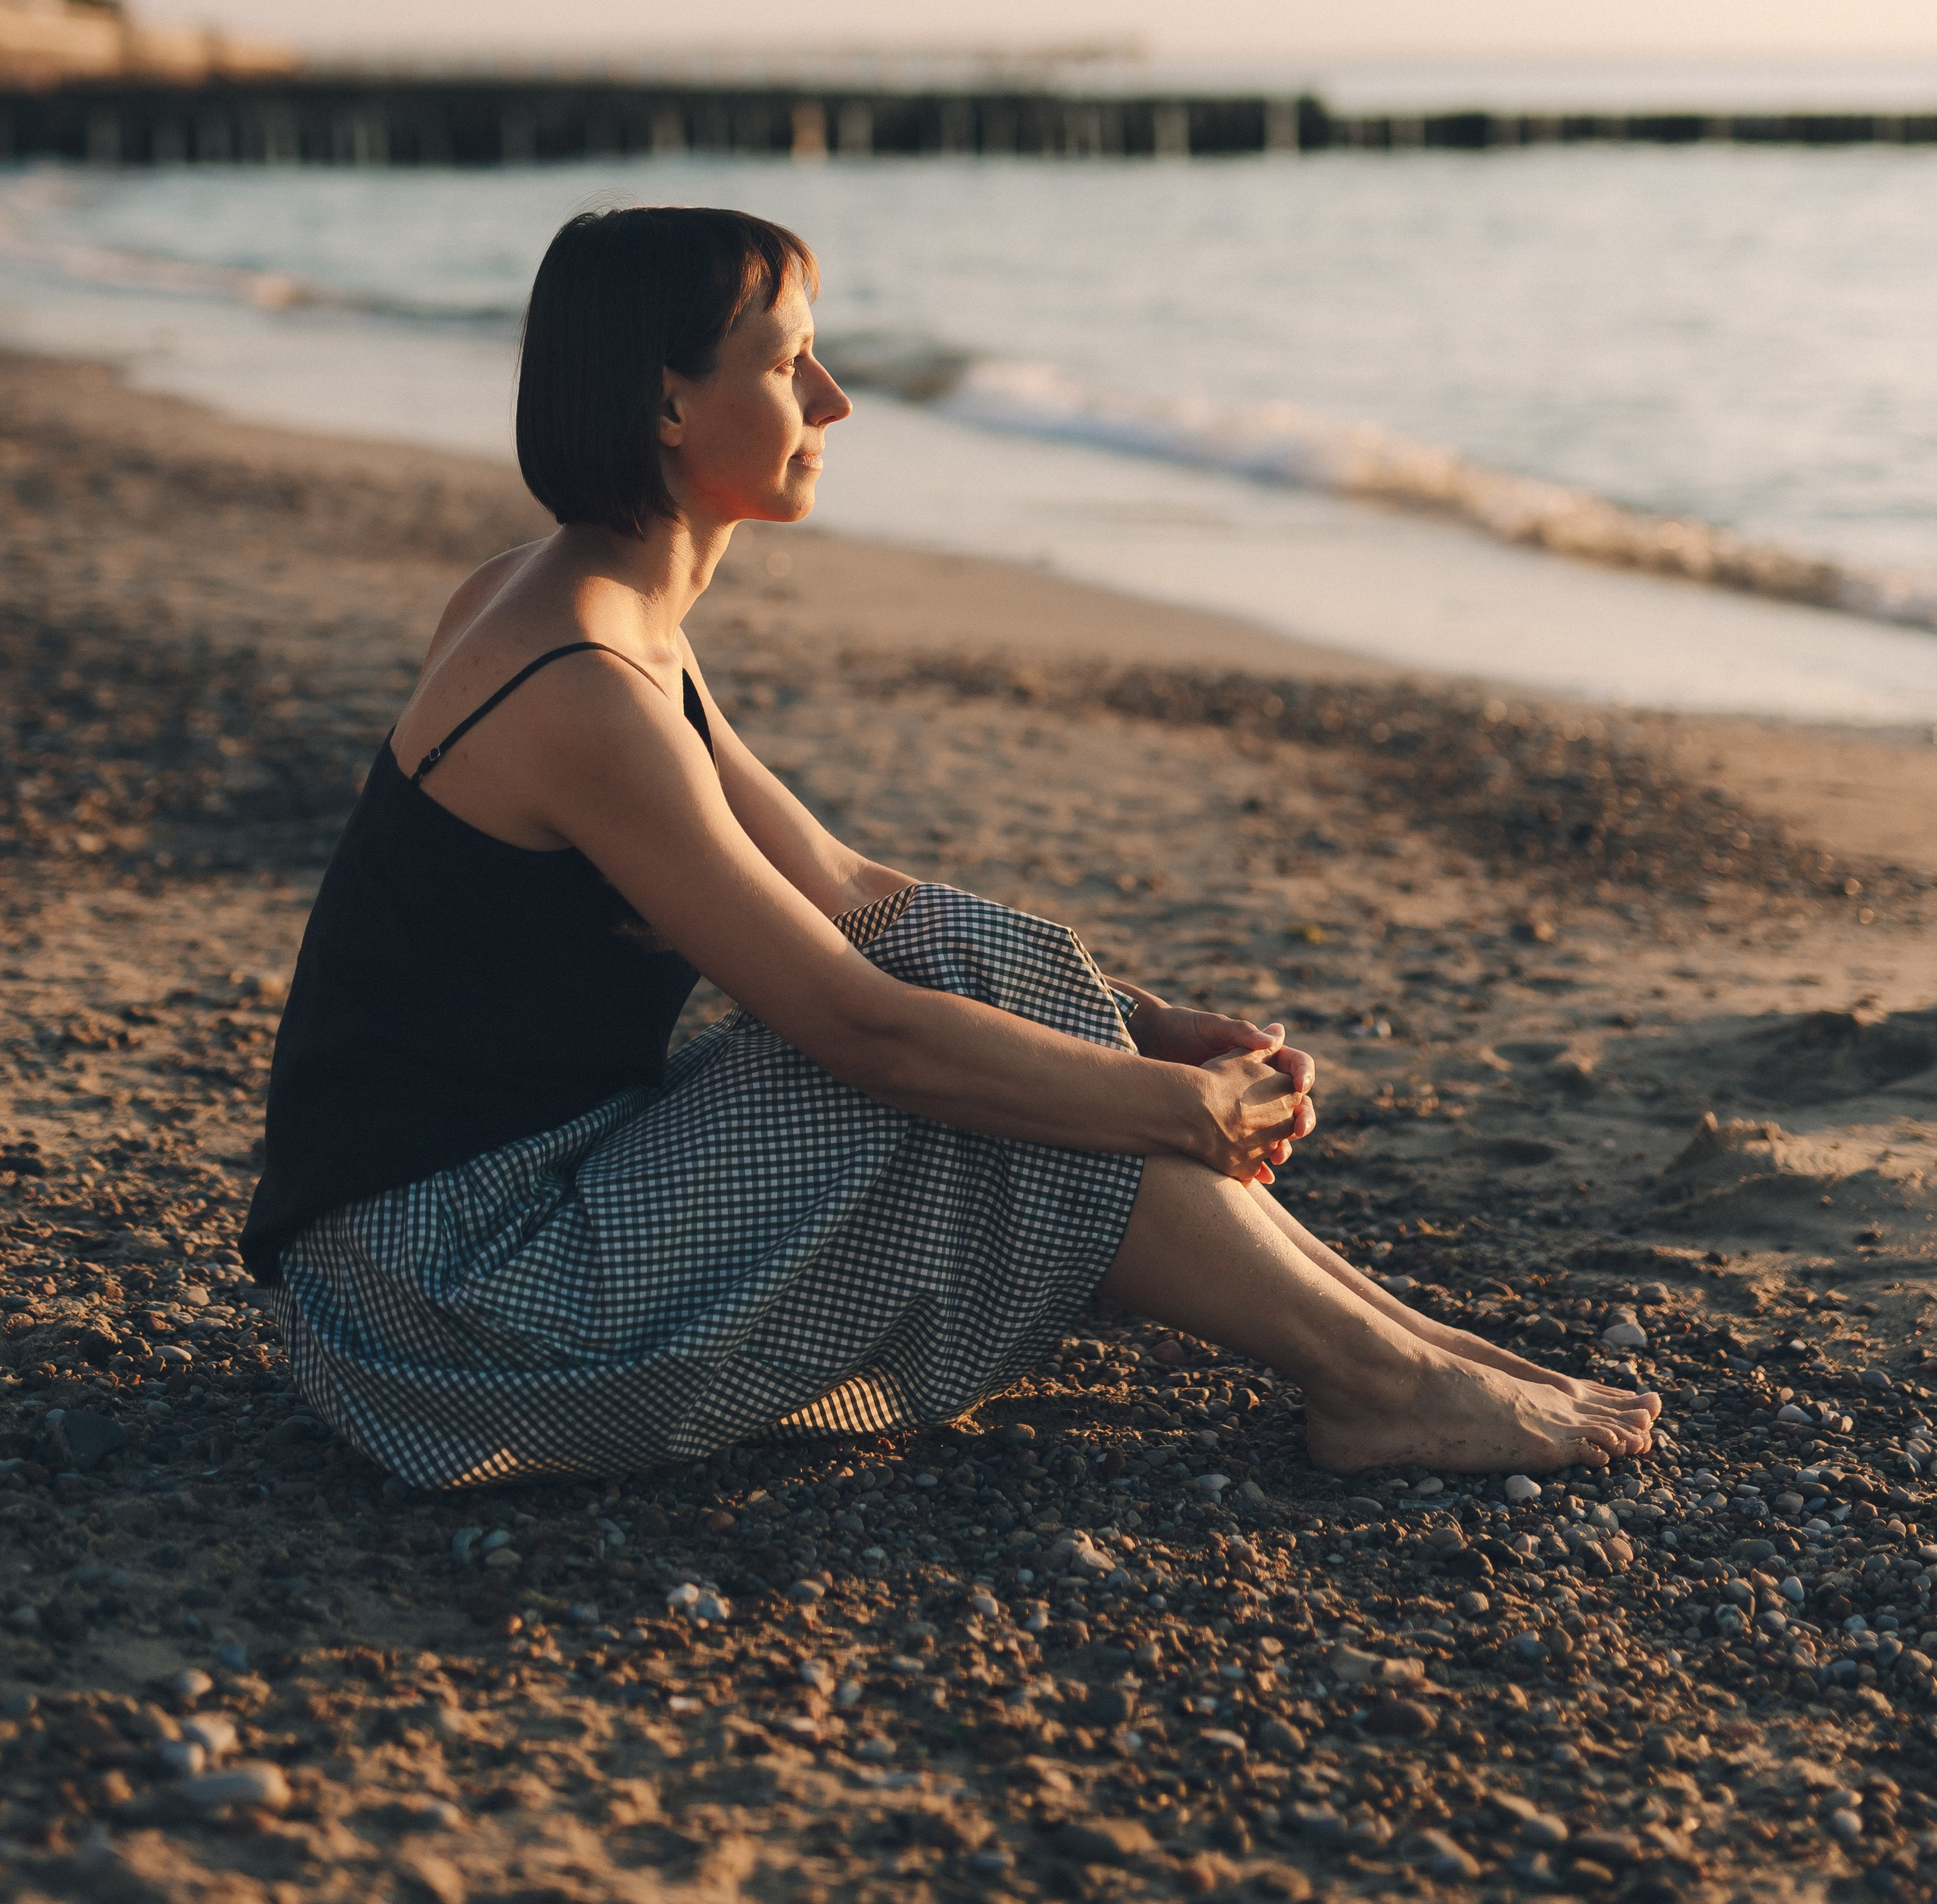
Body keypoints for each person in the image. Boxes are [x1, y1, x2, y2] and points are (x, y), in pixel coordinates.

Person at [242, 205, 1657, 1490]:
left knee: (975, 976)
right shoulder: (577, 685)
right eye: (791, 363)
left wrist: (1138, 1030)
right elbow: (864, 1033)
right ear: (670, 401)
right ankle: (1380, 1379)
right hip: (443, 1301)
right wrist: (1172, 1110)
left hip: (489, 1225)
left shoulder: (585, 610)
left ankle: (1410, 1350)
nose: (834, 400)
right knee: (976, 1093)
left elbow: (851, 894)